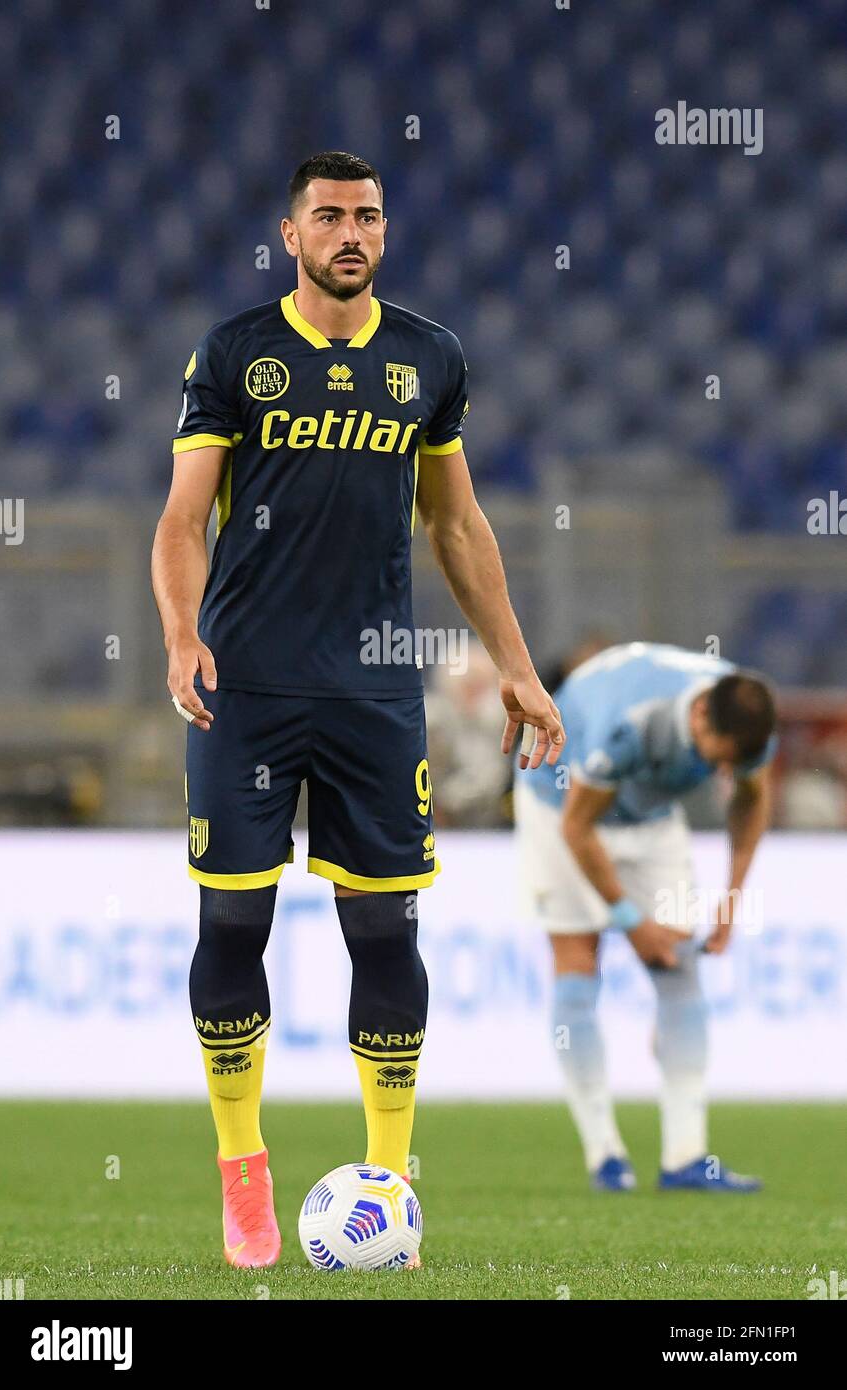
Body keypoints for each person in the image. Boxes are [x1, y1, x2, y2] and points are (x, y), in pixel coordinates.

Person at [151, 150, 564, 1268]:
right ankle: (244, 1169)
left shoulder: (430, 358)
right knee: (232, 924)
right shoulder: (236, 354)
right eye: (328, 215)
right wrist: (184, 635)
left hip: (376, 691)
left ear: (385, 232)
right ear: (289, 234)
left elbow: (458, 526)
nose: (350, 232)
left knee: (384, 930)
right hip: (245, 685)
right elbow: (184, 519)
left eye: (368, 216)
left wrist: (517, 666)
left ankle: (387, 1178)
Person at [514, 641, 776, 1192]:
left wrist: (731, 899)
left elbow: (751, 800)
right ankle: (605, 1155)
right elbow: (578, 829)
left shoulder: (749, 724)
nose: (722, 771)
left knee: (680, 966)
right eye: (715, 757)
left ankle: (685, 1157)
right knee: (578, 964)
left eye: (732, 762)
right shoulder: (631, 722)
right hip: (558, 803)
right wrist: (631, 920)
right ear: (699, 713)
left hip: (650, 815)